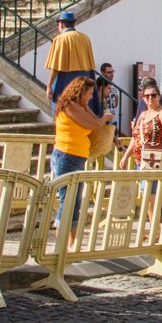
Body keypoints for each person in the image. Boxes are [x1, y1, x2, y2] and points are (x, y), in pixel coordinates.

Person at [50, 77, 115, 243]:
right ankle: (61, 242)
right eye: (90, 93)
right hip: (67, 155)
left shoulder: (81, 106)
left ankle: (71, 242)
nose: (91, 97)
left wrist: (109, 132)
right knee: (68, 200)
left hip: (76, 156)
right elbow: (93, 124)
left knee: (75, 202)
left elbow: (95, 123)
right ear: (81, 91)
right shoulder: (70, 106)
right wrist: (105, 118)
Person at [45, 11, 100, 117]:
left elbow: (55, 67)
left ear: (61, 24)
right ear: (74, 24)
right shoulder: (85, 38)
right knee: (85, 110)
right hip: (85, 77)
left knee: (63, 110)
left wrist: (49, 86)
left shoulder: (60, 39)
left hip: (66, 80)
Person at [98, 63, 121, 132]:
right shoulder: (100, 84)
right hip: (104, 118)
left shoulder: (115, 85)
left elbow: (116, 103)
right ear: (102, 73)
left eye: (112, 71)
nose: (112, 74)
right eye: (109, 72)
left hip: (113, 116)